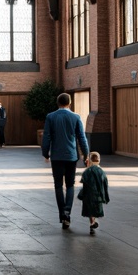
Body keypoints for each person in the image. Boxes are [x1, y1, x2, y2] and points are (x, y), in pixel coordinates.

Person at [41, 92, 90, 229]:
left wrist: (45, 153)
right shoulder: (75, 117)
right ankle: (67, 211)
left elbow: (46, 137)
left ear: (58, 103)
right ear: (70, 103)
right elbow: (82, 138)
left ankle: (62, 214)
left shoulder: (50, 117)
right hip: (71, 156)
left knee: (57, 185)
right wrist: (86, 154)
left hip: (56, 156)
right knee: (70, 184)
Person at [78, 152, 110, 235]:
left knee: (90, 211)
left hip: (88, 195)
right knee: (95, 209)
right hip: (98, 195)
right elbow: (105, 185)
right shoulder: (102, 172)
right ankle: (93, 223)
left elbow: (84, 183)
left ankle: (92, 223)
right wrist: (106, 197)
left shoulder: (86, 172)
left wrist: (82, 194)